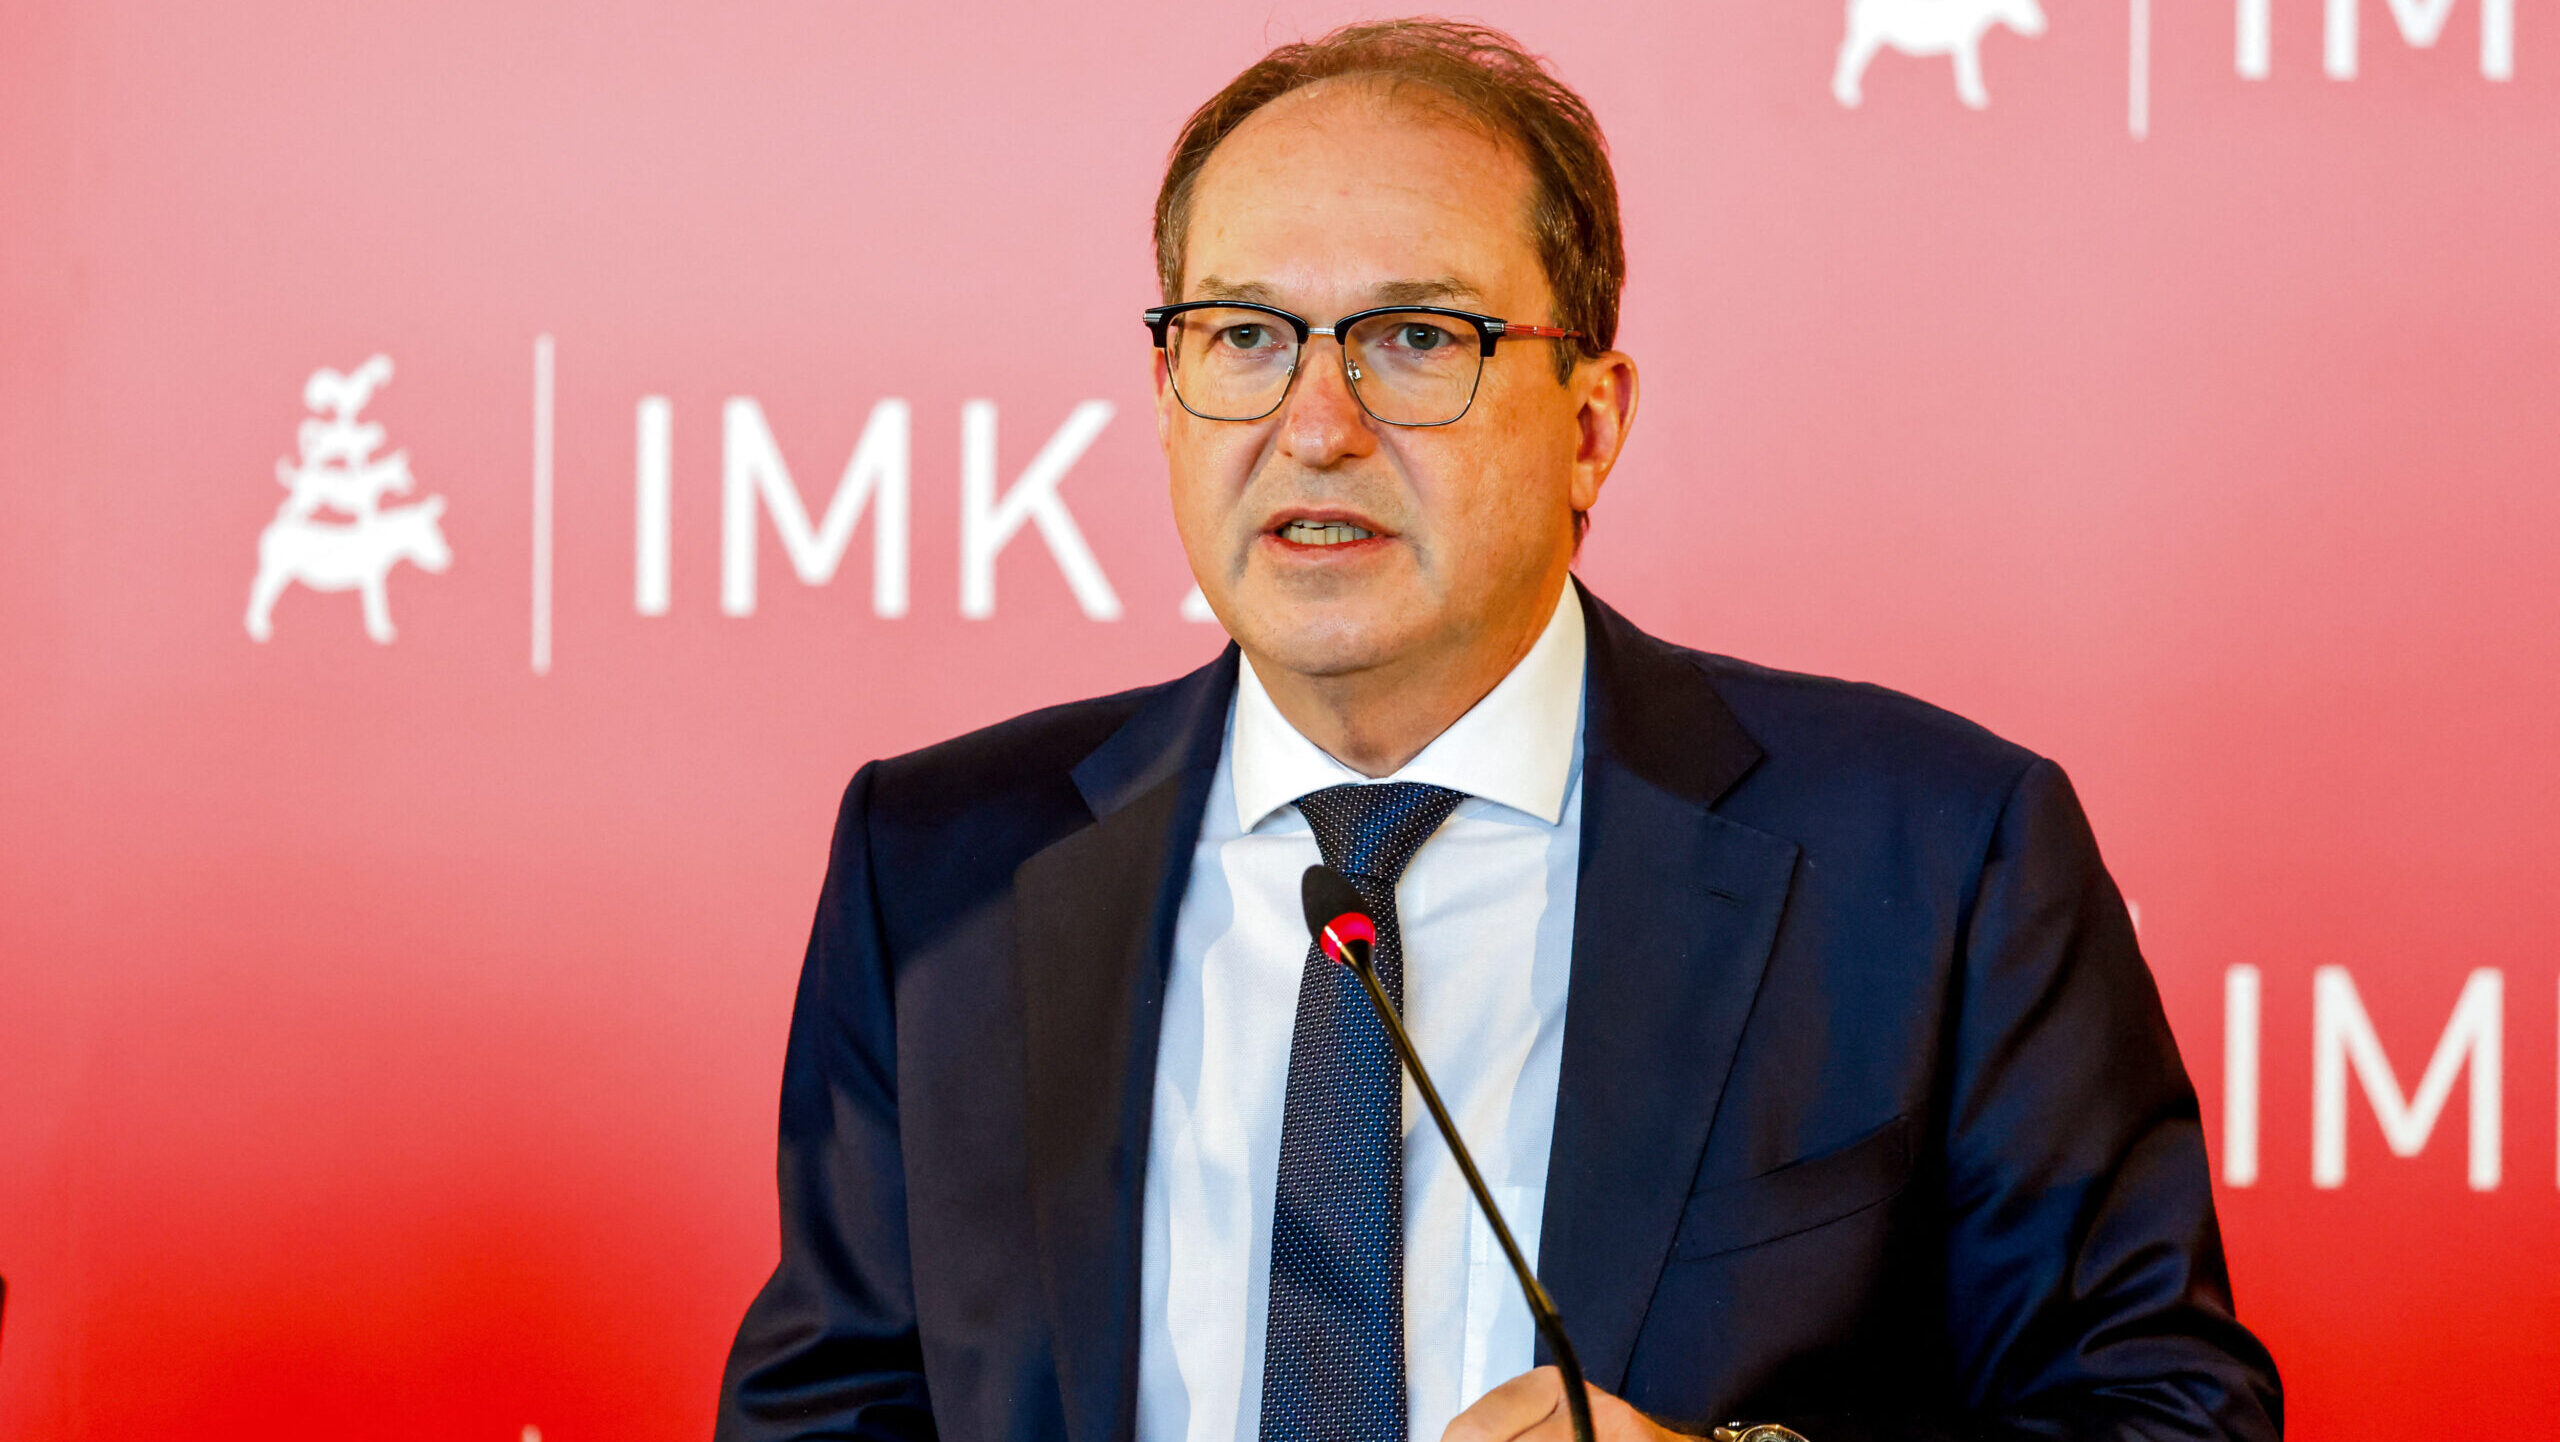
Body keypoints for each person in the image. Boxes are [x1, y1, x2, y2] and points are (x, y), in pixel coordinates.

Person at [716, 19, 2280, 1442]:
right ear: (1167, 390)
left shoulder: (1934, 862)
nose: (1315, 423)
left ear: (1591, 425)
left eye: (1416, 338)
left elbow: (2166, 1411)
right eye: (1244, 334)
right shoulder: (942, 871)